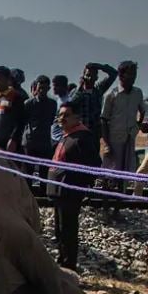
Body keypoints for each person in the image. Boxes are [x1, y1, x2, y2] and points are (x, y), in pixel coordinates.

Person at [47, 101, 100, 271]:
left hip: (69, 191)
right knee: (60, 230)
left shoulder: (83, 138)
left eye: (66, 115)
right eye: (60, 115)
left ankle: (69, 265)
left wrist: (80, 184)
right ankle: (62, 261)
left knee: (68, 230)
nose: (62, 118)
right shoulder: (66, 135)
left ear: (76, 117)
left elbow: (93, 164)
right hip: (58, 191)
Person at [101, 61, 146, 190]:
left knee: (124, 175)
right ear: (121, 75)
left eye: (134, 74)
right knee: (109, 174)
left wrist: (137, 126)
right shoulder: (111, 95)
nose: (133, 77)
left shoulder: (137, 93)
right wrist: (106, 144)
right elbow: (103, 120)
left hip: (129, 139)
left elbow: (143, 110)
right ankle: (106, 205)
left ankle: (117, 206)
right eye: (130, 74)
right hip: (114, 140)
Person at [22, 75, 57, 192]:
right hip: (30, 141)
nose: (42, 91)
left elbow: (51, 120)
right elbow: (23, 121)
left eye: (45, 88)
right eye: (40, 88)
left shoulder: (52, 104)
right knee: (28, 171)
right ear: (36, 88)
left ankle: (43, 194)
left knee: (44, 172)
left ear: (48, 89)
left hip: (44, 141)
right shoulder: (28, 103)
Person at [71, 63, 117, 152]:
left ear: (96, 78)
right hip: (80, 133)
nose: (90, 78)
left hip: (94, 134)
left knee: (94, 159)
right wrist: (80, 88)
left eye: (93, 75)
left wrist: (99, 66)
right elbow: (70, 104)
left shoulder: (98, 89)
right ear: (83, 76)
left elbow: (114, 73)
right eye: (88, 75)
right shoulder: (76, 92)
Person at [0, 66, 26, 151]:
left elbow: (21, 122)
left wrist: (13, 139)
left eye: (0, 79)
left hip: (10, 144)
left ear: (8, 80)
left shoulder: (16, 97)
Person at [50, 75, 73, 147]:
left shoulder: (68, 101)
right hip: (53, 137)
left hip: (62, 139)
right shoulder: (56, 100)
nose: (54, 88)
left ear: (64, 87)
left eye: (56, 86)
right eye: (53, 85)